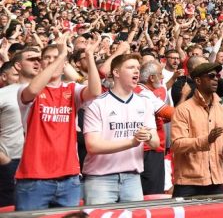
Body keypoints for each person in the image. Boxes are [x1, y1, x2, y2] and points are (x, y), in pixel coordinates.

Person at [15, 35, 102, 211]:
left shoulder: (72, 89)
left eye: (56, 57)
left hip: (68, 179)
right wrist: (62, 56)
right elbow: (32, 90)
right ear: (40, 64)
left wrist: (90, 56)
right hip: (34, 178)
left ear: (64, 66)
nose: (51, 61)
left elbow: (95, 91)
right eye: (47, 58)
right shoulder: (27, 89)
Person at [82, 54, 159, 205]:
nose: (137, 71)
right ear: (116, 73)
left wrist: (148, 136)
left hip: (133, 177)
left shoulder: (145, 103)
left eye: (138, 68)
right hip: (100, 179)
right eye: (131, 67)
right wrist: (132, 142)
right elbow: (93, 146)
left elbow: (155, 144)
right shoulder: (97, 104)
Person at [170, 62, 223, 197]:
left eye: (217, 75)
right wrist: (206, 140)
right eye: (211, 76)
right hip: (188, 182)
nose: (216, 79)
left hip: (215, 180)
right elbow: (176, 144)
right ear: (198, 80)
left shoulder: (222, 110)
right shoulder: (183, 110)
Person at [0, 48, 38, 207]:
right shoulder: (3, 94)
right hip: (12, 161)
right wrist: (4, 159)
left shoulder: (52, 91)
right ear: (18, 65)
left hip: (43, 163)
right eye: (31, 58)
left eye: (40, 58)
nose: (37, 61)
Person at [136, 60, 174, 195]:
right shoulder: (143, 92)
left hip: (149, 148)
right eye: (160, 74)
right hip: (149, 149)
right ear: (151, 78)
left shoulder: (143, 90)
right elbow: (167, 112)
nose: (163, 77)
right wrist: (192, 112)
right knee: (153, 193)